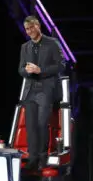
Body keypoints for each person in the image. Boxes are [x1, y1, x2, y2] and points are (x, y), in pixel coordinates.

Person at [18, 16, 66, 170]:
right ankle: (32, 158)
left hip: (46, 89)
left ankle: (42, 158)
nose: (30, 31)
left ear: (38, 26)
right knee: (31, 126)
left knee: (41, 124)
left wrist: (41, 70)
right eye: (27, 29)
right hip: (30, 90)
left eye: (32, 27)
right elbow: (20, 69)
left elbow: (61, 65)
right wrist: (26, 71)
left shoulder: (52, 43)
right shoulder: (25, 47)